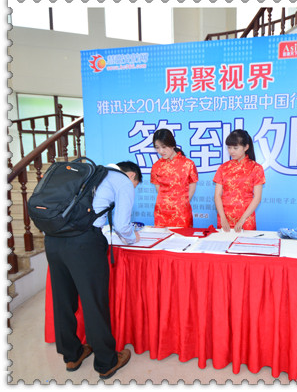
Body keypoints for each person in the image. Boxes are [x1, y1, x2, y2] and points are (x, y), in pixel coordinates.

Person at [44, 161, 142, 379]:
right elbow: (122, 225)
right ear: (132, 176)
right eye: (135, 184)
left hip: (53, 240)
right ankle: (106, 362)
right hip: (84, 243)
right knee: (93, 301)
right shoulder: (122, 181)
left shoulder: (85, 174)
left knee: (63, 301)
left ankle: (72, 355)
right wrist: (133, 238)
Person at [213, 130, 265, 232]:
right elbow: (217, 195)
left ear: (246, 147)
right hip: (225, 219)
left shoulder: (256, 168)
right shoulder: (223, 168)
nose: (231, 151)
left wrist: (242, 220)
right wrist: (223, 218)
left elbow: (257, 198)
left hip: (246, 218)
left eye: (235, 148)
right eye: (229, 147)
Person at [150, 128, 198, 227]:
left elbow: (192, 187)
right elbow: (159, 191)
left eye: (164, 147)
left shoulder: (188, 164)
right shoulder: (156, 166)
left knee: (182, 236)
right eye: (157, 147)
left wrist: (182, 204)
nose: (161, 151)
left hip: (181, 212)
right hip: (162, 212)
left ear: (172, 144)